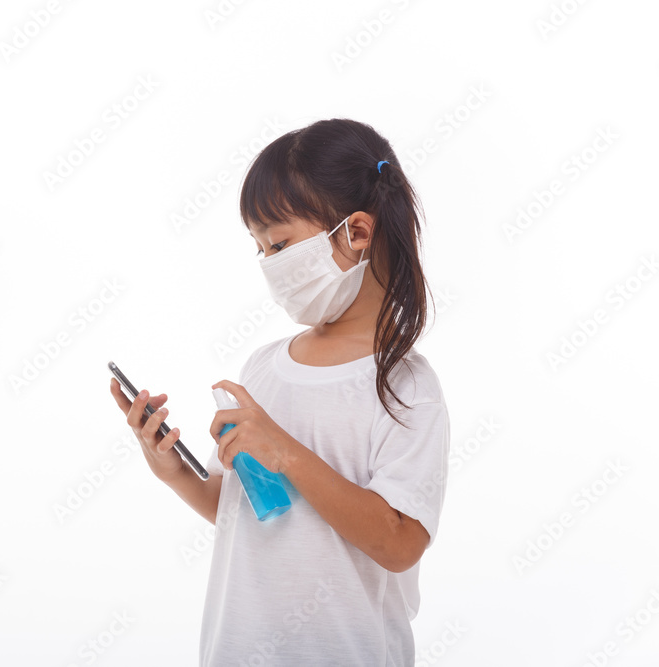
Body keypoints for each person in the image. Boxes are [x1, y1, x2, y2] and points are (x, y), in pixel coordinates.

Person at [109, 118, 450, 666]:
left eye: (279, 243)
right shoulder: (265, 367)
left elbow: (400, 542)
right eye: (260, 248)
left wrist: (285, 451)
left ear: (357, 233)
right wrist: (174, 471)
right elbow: (253, 510)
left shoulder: (405, 386)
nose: (269, 263)